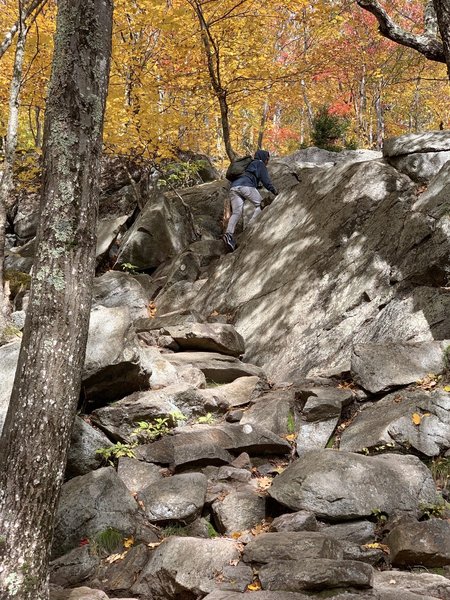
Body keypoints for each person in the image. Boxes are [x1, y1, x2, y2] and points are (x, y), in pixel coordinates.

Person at [223, 149, 278, 251]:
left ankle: (228, 234)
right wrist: (275, 191)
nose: (268, 162)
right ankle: (250, 227)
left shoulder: (249, 164)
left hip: (234, 188)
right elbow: (266, 181)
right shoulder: (259, 163)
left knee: (236, 212)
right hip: (245, 186)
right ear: (263, 157)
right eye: (267, 159)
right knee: (260, 204)